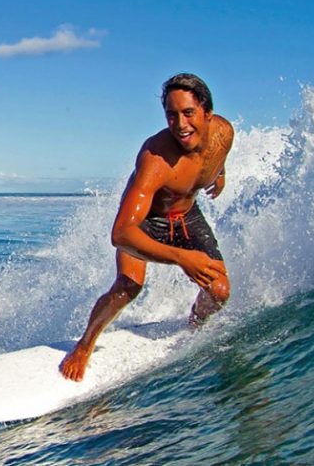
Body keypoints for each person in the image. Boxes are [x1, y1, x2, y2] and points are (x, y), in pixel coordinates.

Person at [60, 73, 234, 382]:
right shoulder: (155, 157)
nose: (180, 124)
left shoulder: (224, 134)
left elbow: (215, 158)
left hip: (188, 216)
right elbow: (121, 234)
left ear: (208, 114)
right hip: (145, 222)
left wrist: (218, 174)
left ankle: (194, 323)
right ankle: (84, 346)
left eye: (188, 113)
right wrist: (182, 258)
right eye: (171, 115)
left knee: (219, 291)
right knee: (128, 287)